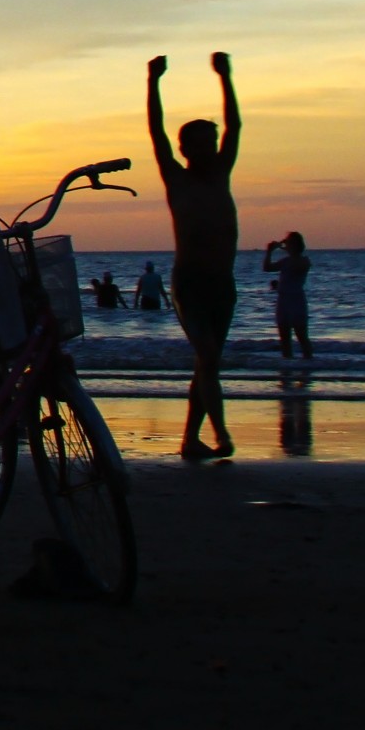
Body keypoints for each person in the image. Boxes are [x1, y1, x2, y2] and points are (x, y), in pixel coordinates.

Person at [149, 52, 240, 460]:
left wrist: (225, 77)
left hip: (223, 284)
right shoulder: (176, 179)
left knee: (209, 364)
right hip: (190, 283)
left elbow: (235, 125)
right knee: (207, 357)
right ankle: (221, 433)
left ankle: (190, 440)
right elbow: (156, 131)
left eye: (211, 144)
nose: (206, 150)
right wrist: (153, 82)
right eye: (198, 145)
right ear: (186, 148)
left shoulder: (221, 172)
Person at [264, 232, 313, 360]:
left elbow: (297, 269)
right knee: (284, 338)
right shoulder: (286, 261)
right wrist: (269, 252)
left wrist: (283, 247)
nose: (286, 244)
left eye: (288, 242)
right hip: (283, 300)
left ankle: (308, 363)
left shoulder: (303, 261)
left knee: (301, 335)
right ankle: (288, 366)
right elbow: (267, 268)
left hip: (296, 300)